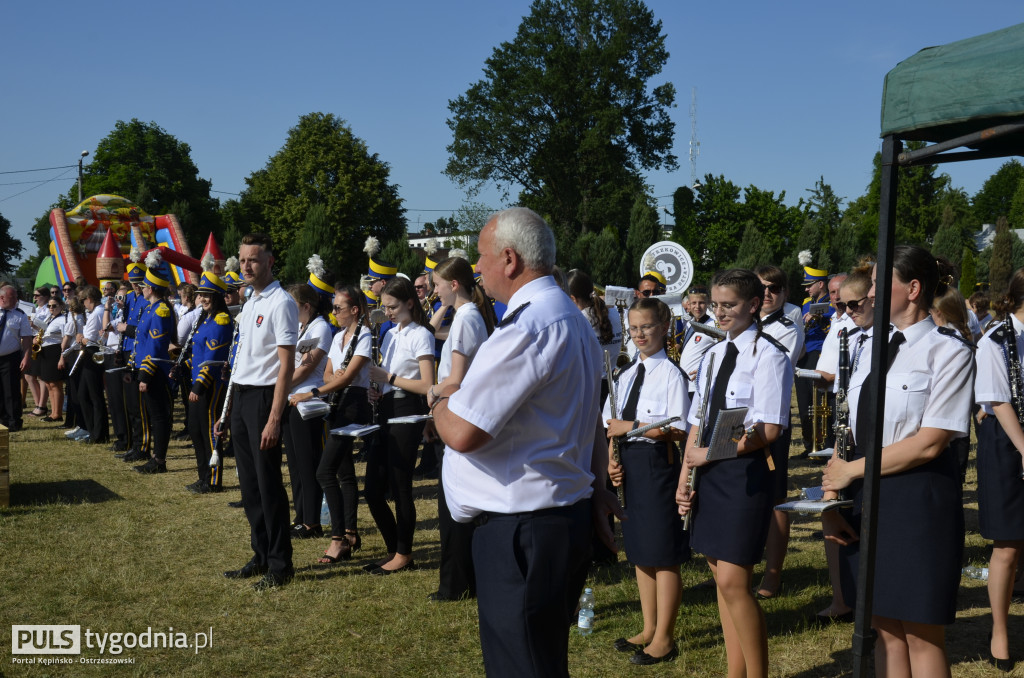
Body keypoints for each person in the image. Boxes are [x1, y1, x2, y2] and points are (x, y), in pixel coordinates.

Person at [431, 207, 618, 678]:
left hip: (522, 530)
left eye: (481, 257)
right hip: (552, 520)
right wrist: (597, 488)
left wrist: (438, 399)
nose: (476, 269)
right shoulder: (572, 320)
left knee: (521, 664)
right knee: (542, 658)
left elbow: (464, 432)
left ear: (509, 259)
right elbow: (590, 417)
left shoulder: (528, 328)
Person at [822, 245, 973, 678]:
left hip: (918, 503)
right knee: (883, 628)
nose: (868, 294)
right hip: (866, 497)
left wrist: (852, 470)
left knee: (921, 636)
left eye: (876, 284)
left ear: (913, 288)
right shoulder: (873, 348)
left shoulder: (948, 351)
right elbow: (848, 430)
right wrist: (833, 497)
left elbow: (930, 442)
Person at [676, 268, 793, 678]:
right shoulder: (712, 355)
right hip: (709, 472)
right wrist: (685, 476)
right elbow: (697, 420)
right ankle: (735, 671)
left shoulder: (769, 355)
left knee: (733, 583)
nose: (720, 313)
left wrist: (711, 454)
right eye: (715, 305)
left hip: (745, 475)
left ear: (754, 305)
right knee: (722, 583)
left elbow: (769, 429)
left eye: (729, 305)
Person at [606, 297, 690, 665]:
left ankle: (665, 638)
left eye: (648, 327)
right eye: (634, 328)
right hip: (629, 464)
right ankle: (648, 625)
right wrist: (612, 460)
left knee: (663, 553)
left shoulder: (671, 374)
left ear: (665, 327)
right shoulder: (624, 374)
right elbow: (611, 425)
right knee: (640, 550)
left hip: (659, 464)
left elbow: (676, 428)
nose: (640, 334)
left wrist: (634, 428)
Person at [219, 233, 297, 591]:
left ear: (269, 261)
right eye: (242, 259)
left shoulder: (281, 303)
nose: (246, 266)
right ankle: (261, 553)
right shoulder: (249, 301)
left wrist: (275, 417)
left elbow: (285, 367)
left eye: (253, 259)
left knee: (268, 485)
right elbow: (241, 361)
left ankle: (281, 564)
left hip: (266, 398)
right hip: (243, 397)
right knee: (249, 486)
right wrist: (227, 408)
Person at [428, 255, 493, 601]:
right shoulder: (466, 316)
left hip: (455, 412)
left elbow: (456, 380)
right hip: (455, 412)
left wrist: (432, 392)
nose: (435, 291)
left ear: (454, 285)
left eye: (437, 285)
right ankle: (461, 579)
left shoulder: (466, 318)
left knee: (452, 505)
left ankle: (455, 583)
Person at [292, 284, 372, 564]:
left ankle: (337, 538)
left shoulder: (364, 336)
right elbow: (328, 373)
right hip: (337, 404)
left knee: (324, 472)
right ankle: (350, 531)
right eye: (333, 307)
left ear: (354, 310)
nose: (334, 311)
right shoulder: (338, 336)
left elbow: (348, 378)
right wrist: (331, 379)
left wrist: (313, 392)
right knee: (343, 471)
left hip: (353, 404)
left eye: (338, 308)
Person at [972, 269, 1024, 672]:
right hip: (1008, 441)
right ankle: (1000, 630)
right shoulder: (996, 340)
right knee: (1008, 543)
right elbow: (998, 401)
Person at [365, 276, 435, 575]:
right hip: (387, 408)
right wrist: (378, 389)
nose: (388, 312)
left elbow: (428, 385)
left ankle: (403, 554)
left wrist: (388, 379)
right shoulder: (390, 334)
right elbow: (387, 374)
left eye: (393, 306)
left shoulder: (422, 334)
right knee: (371, 489)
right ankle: (395, 547)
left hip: (408, 412)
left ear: (409, 302)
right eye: (385, 307)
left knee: (400, 486)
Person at [815, 269, 873, 624]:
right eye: (842, 304)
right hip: (848, 442)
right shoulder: (847, 334)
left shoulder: (877, 339)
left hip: (871, 447)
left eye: (854, 304)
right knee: (839, 518)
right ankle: (845, 598)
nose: (846, 310)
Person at [752, 265, 802, 602]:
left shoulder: (787, 328)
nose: (768, 293)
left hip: (770, 422)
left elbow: (764, 368)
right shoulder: (737, 324)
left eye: (775, 288)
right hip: (736, 418)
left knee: (775, 499)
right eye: (761, 288)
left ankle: (773, 574)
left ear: (784, 294)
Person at [282, 282, 333, 538]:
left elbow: (306, 368)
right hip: (292, 400)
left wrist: (278, 387)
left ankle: (312, 522)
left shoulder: (321, 327)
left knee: (308, 462)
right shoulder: (302, 326)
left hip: (308, 402)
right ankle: (301, 516)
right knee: (295, 465)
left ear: (306, 306)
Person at [185, 272, 234, 494]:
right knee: (196, 430)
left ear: (217, 296)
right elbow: (199, 352)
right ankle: (203, 476)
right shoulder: (206, 318)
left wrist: (199, 385)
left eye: (207, 295)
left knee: (210, 433)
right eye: (201, 294)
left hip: (210, 385)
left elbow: (214, 358)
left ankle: (213, 480)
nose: (202, 298)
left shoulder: (221, 320)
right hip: (198, 381)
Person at [133, 257, 177, 472]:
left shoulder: (161, 310)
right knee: (153, 415)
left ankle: (159, 461)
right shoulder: (151, 309)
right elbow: (142, 342)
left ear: (150, 289)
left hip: (156, 370)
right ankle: (155, 458)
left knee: (159, 417)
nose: (141, 289)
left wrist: (146, 374)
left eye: (143, 286)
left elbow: (157, 346)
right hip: (146, 368)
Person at [796, 258, 833, 456]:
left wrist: (817, 314)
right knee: (804, 402)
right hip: (803, 354)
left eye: (809, 285)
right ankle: (808, 442)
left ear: (820, 284)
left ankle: (822, 443)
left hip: (818, 354)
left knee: (818, 401)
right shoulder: (805, 303)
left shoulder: (831, 301)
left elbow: (831, 310)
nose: (807, 290)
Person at [73, 285, 110, 445]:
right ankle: (94, 430)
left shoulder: (96, 314)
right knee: (85, 394)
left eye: (83, 300)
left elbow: (90, 339)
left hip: (93, 353)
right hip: (94, 353)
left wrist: (80, 338)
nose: (82, 304)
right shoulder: (98, 311)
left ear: (89, 299)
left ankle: (98, 433)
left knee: (93, 396)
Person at [0, 284, 34, 432]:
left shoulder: (19, 315)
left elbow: (26, 338)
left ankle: (14, 421)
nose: (15, 299)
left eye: (15, 296)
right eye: (11, 296)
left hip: (10, 357)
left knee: (11, 390)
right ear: (2, 298)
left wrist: (26, 357)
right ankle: (1, 420)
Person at [678, 286, 719, 393]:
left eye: (701, 303)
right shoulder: (688, 324)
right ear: (689, 304)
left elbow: (724, 351)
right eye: (694, 303)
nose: (697, 307)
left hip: (698, 385)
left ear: (708, 303)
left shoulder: (713, 326)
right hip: (685, 384)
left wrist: (708, 369)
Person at [35, 296, 67, 423]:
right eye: (49, 306)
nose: (51, 308)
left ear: (61, 306)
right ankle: (53, 413)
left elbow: (66, 338)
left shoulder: (63, 319)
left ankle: (57, 414)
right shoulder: (49, 318)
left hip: (55, 351)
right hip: (46, 351)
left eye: (54, 306)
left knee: (55, 384)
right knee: (48, 383)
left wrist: (62, 357)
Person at [25, 286, 51, 417]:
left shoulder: (48, 309)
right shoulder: (37, 309)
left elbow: (48, 327)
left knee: (40, 376)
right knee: (29, 375)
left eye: (37, 295)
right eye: (34, 295)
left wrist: (34, 325)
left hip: (41, 342)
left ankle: (41, 406)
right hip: (32, 341)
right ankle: (38, 404)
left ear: (45, 297)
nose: (34, 297)